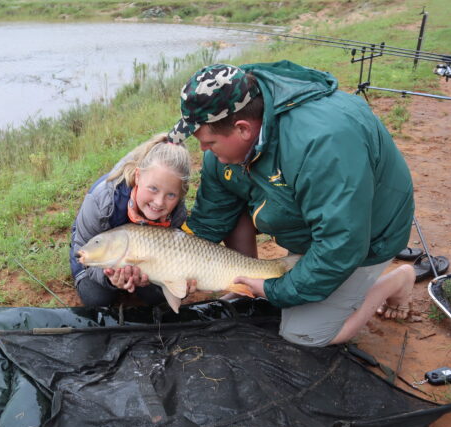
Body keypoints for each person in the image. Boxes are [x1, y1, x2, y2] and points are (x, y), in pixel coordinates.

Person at [167, 61, 416, 347]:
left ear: (243, 129)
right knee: (231, 187)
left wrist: (273, 290)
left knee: (305, 335)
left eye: (209, 142)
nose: (203, 150)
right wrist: (165, 260)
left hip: (369, 236)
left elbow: (341, 245)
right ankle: (261, 278)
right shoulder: (230, 142)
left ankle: (395, 281)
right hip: (312, 217)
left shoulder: (323, 144)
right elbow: (211, 220)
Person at [69, 133, 192, 307]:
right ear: (138, 176)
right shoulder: (101, 200)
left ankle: (140, 286)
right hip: (97, 247)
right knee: (97, 299)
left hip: (142, 258)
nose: (159, 202)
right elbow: (82, 248)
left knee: (158, 298)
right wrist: (110, 277)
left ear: (180, 195)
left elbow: (174, 253)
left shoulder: (177, 211)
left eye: (171, 194)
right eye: (153, 189)